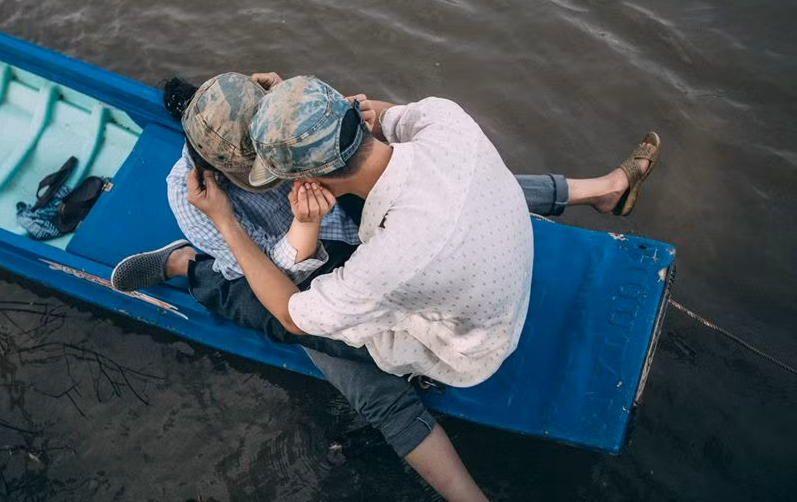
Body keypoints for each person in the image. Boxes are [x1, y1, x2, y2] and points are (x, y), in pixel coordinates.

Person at [112, 72, 659, 502]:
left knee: (354, 375)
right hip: (471, 260)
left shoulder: (387, 262)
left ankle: (184, 269)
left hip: (465, 346)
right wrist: (305, 116)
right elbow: (382, 130)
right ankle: (606, 190)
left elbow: (292, 314)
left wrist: (286, 223)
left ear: (310, 173)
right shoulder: (448, 121)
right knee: (476, 182)